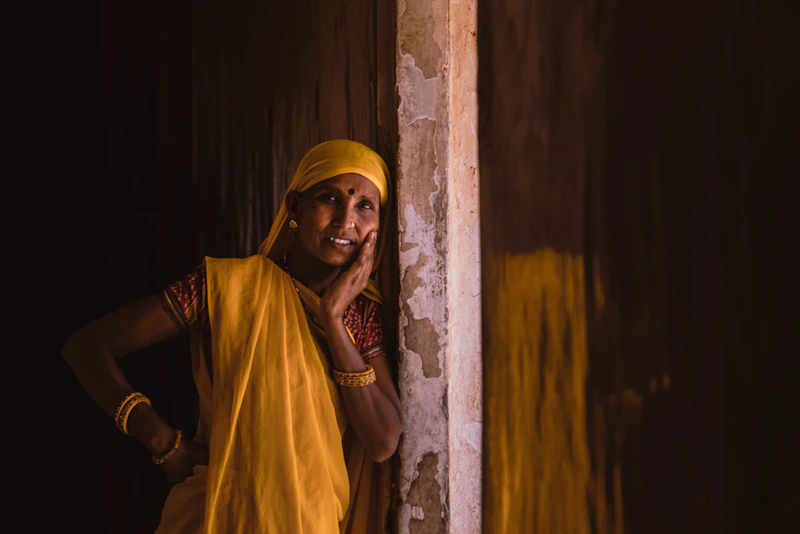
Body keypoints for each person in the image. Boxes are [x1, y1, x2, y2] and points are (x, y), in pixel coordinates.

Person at [62, 140, 404, 533]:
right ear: (294, 207)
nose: (346, 221)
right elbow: (87, 348)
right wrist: (162, 442)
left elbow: (382, 442)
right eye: (328, 198)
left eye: (365, 206)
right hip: (218, 514)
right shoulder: (227, 287)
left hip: (312, 520)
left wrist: (333, 315)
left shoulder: (360, 314)